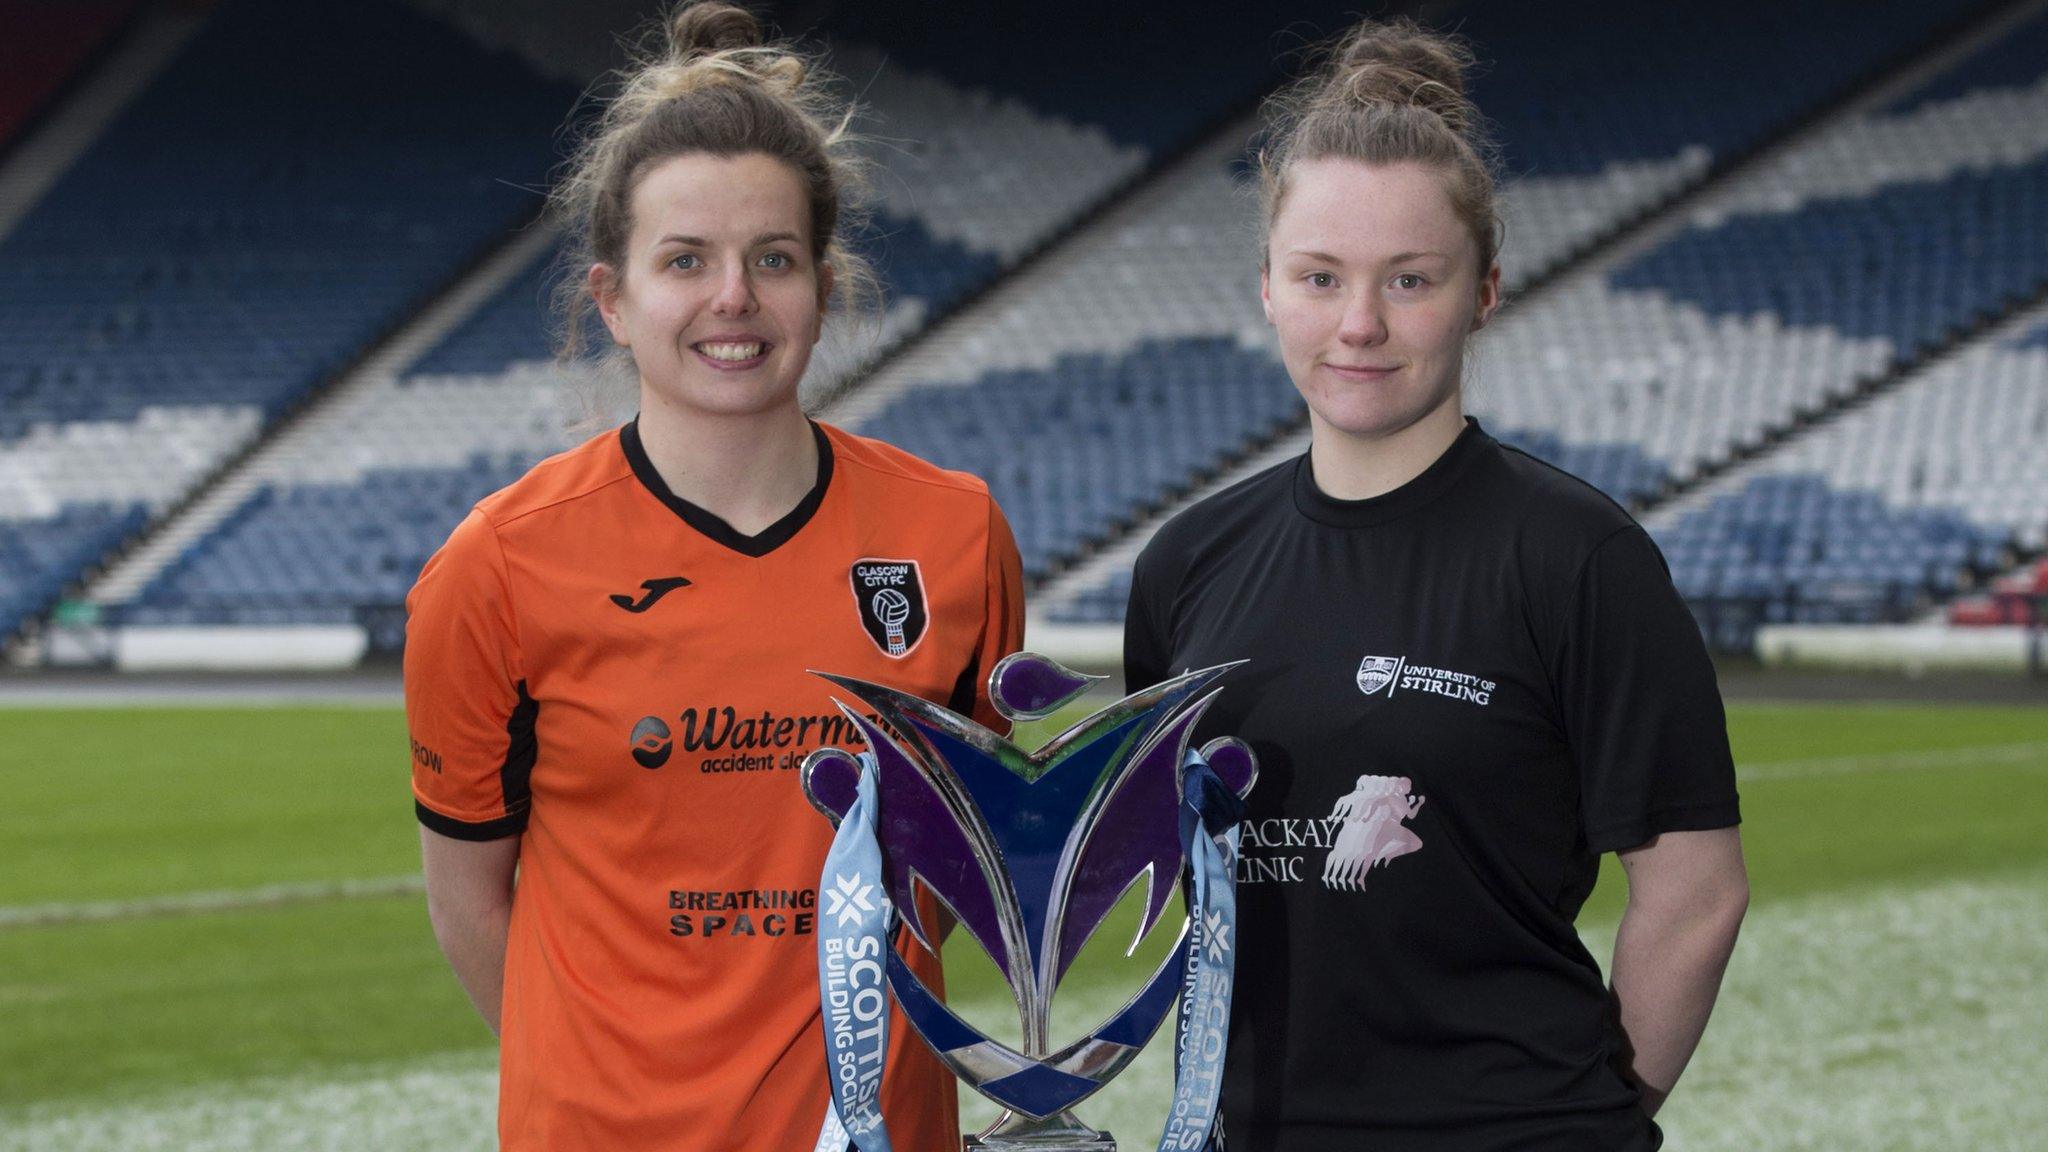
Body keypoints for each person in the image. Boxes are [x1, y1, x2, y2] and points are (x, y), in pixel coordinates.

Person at [404, 5, 1024, 1148]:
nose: (731, 298)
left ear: (823, 290)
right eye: (683, 260)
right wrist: (606, 1079)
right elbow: (467, 901)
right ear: (613, 301)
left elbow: (976, 868)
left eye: (771, 259)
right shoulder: (497, 564)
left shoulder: (954, 533)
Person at [1123, 18, 1747, 1151]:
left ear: (1484, 290)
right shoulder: (1184, 564)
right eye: (1320, 277)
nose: (1358, 324)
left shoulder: (1577, 557)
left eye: (1409, 280)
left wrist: (1587, 1121)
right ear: (1267, 286)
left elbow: (1694, 895)